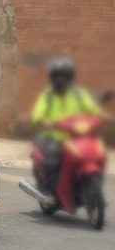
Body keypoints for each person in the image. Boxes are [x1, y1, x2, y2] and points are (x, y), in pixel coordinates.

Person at [31, 57, 101, 195]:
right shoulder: (48, 96)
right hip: (54, 136)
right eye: (57, 76)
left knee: (94, 152)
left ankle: (80, 185)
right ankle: (51, 190)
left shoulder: (78, 94)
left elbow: (93, 110)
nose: (60, 80)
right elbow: (37, 113)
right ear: (52, 78)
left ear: (69, 77)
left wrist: (100, 117)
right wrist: (43, 120)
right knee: (53, 157)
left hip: (77, 136)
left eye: (63, 76)